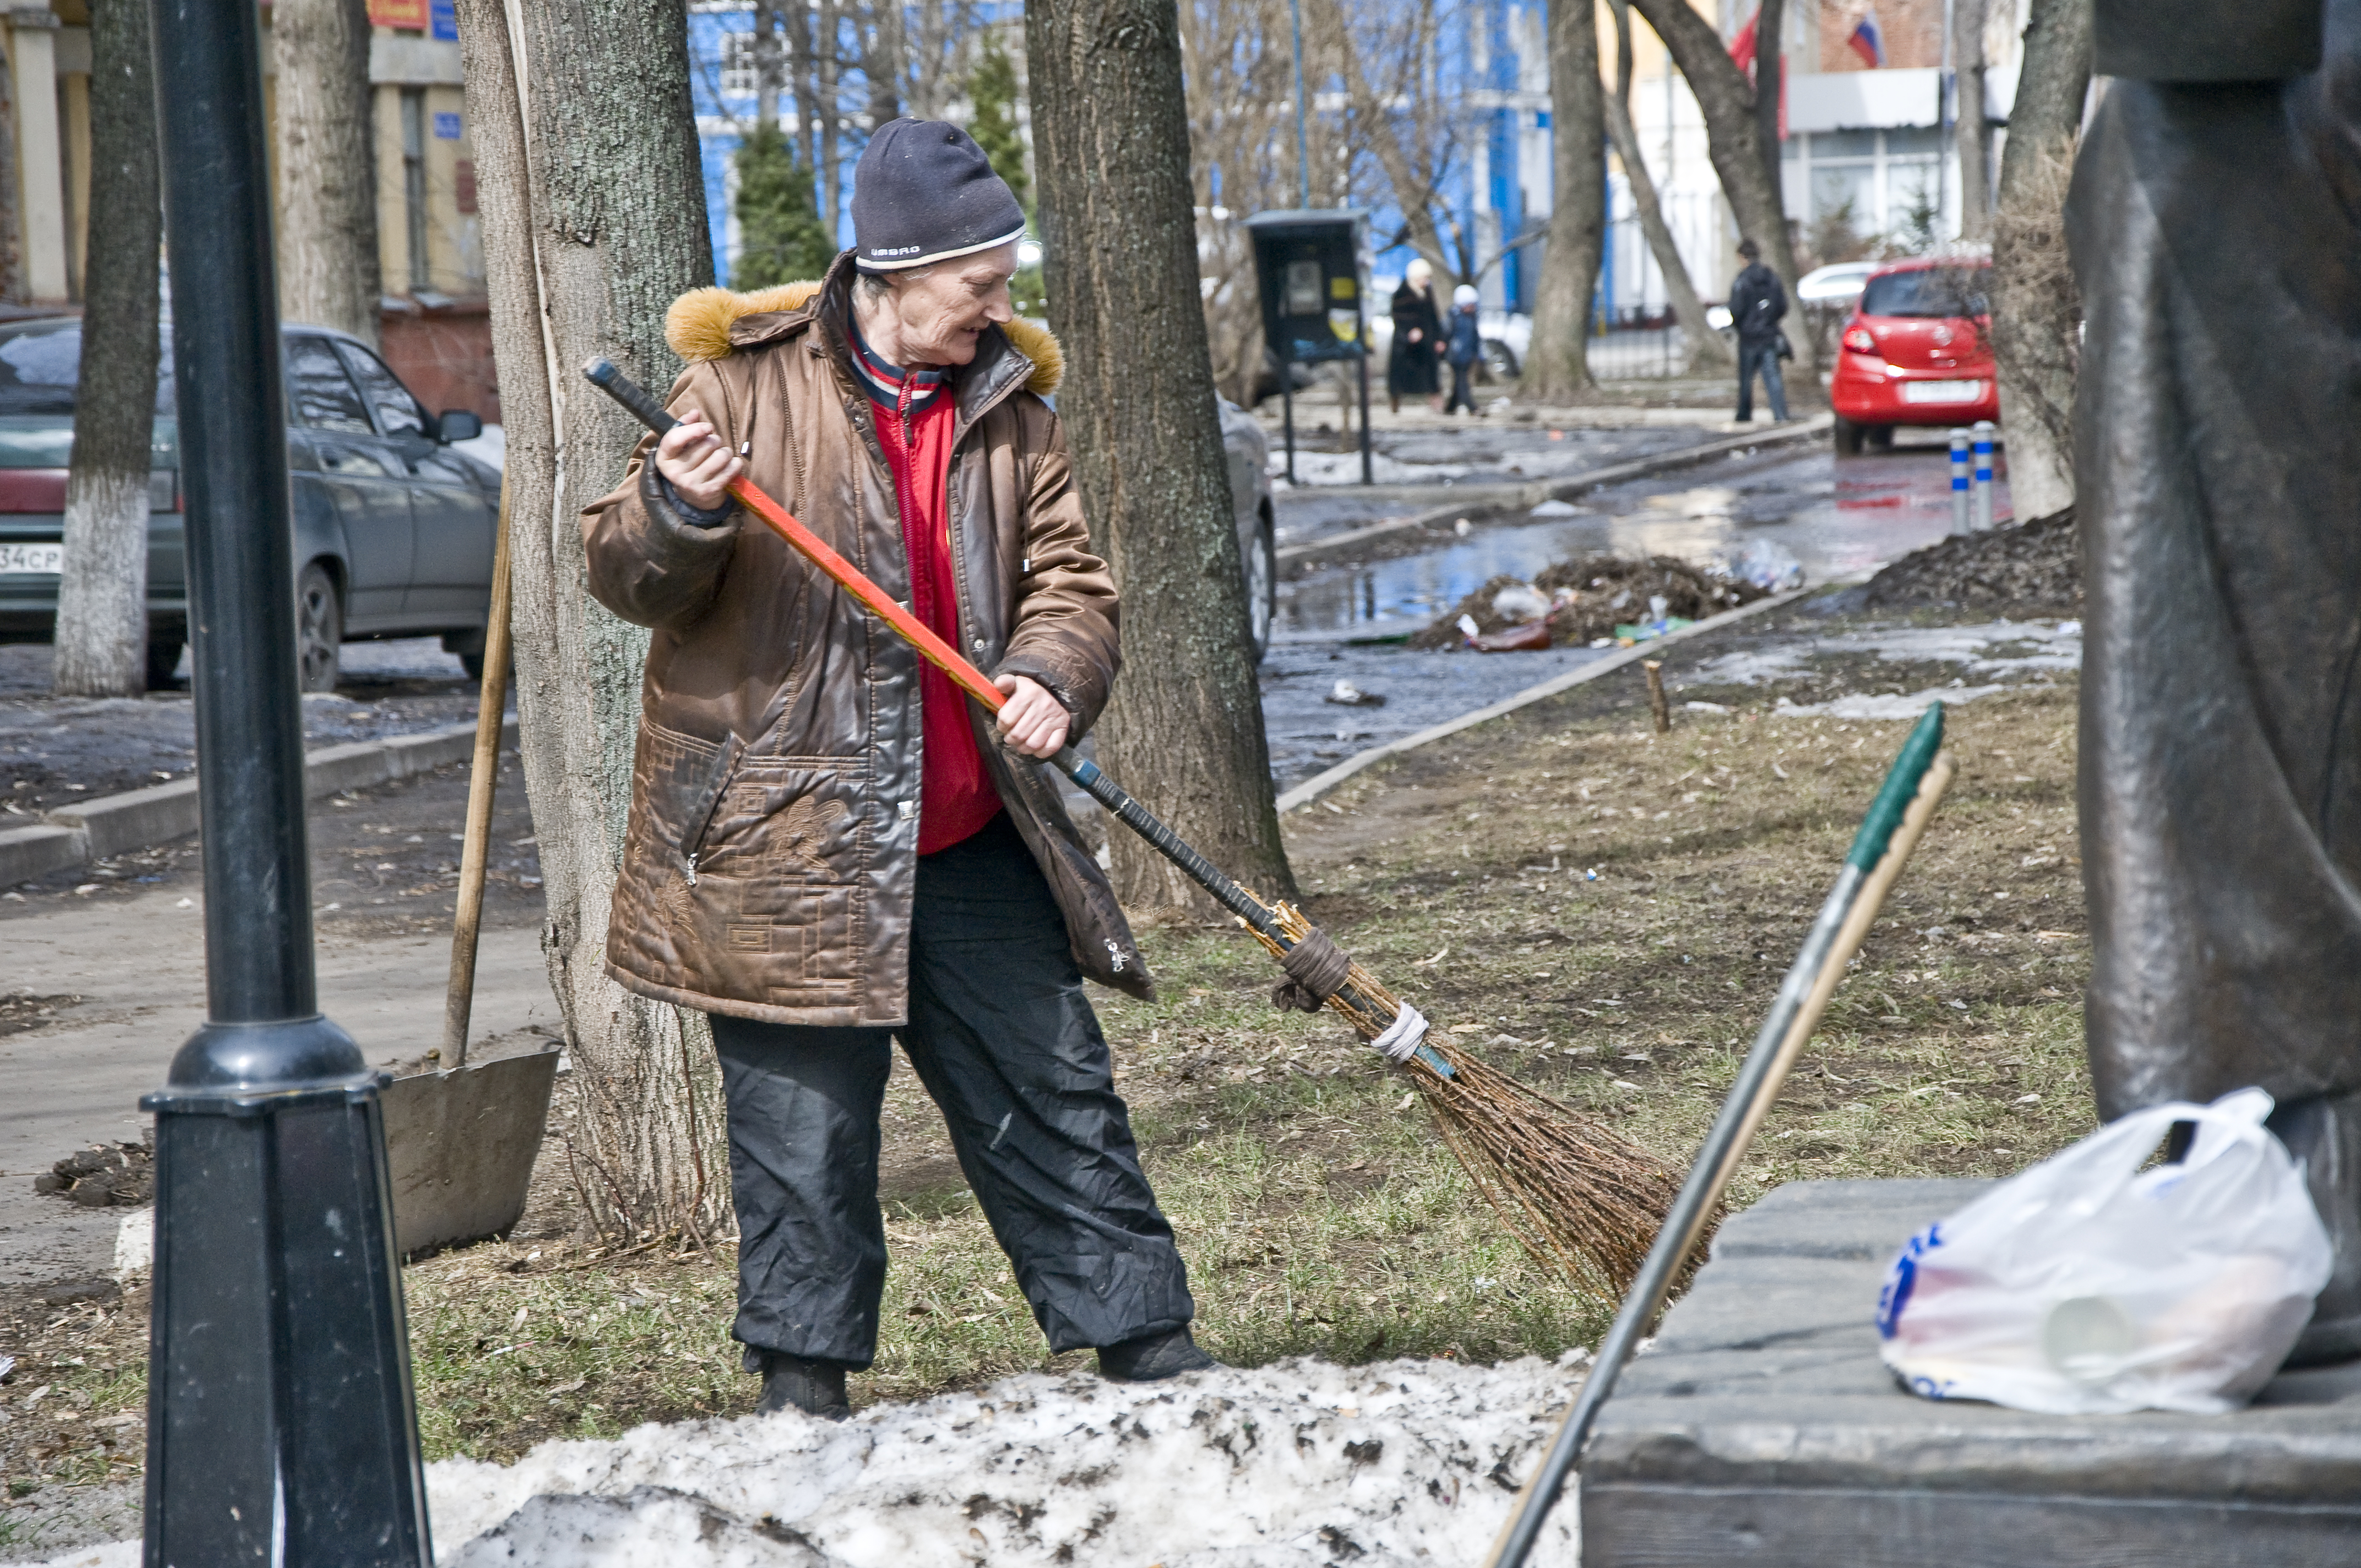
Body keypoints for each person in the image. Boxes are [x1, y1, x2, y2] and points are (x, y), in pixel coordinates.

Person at [580, 118, 1212, 1420]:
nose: (998, 306)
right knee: (804, 1141)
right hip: (785, 838)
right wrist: (679, 509)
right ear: (888, 269)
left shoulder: (1010, 413)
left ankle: (1149, 1352)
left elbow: (1070, 584)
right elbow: (623, 573)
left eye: (1002, 280)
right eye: (976, 283)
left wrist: (1050, 668)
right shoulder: (740, 389)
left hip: (965, 831)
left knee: (1056, 1090)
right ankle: (801, 1400)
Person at [1727, 238, 1790, 423]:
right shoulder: (1771, 278)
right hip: (1768, 335)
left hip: (1748, 338)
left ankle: (1744, 415)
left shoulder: (1742, 280)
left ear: (1742, 257)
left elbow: (1736, 309)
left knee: (1746, 379)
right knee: (1773, 377)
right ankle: (1780, 415)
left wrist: (1740, 325)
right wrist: (1770, 321)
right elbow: (1782, 305)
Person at [1386, 258, 1443, 414]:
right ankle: (1395, 404)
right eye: (1424, 278)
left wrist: (1439, 338)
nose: (1426, 282)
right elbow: (1398, 317)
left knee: (1431, 376)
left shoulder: (1427, 293)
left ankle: (1437, 405)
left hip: (1426, 343)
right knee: (1400, 377)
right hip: (1406, 345)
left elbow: (1434, 317)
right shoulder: (1401, 294)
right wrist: (1409, 332)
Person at [1443, 283, 1483, 416]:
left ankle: (1450, 408)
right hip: (1456, 355)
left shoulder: (1472, 318)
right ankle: (1472, 407)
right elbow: (1446, 333)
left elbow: (1475, 337)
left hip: (1468, 355)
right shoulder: (1454, 316)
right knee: (1462, 381)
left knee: (1458, 382)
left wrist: (1478, 354)